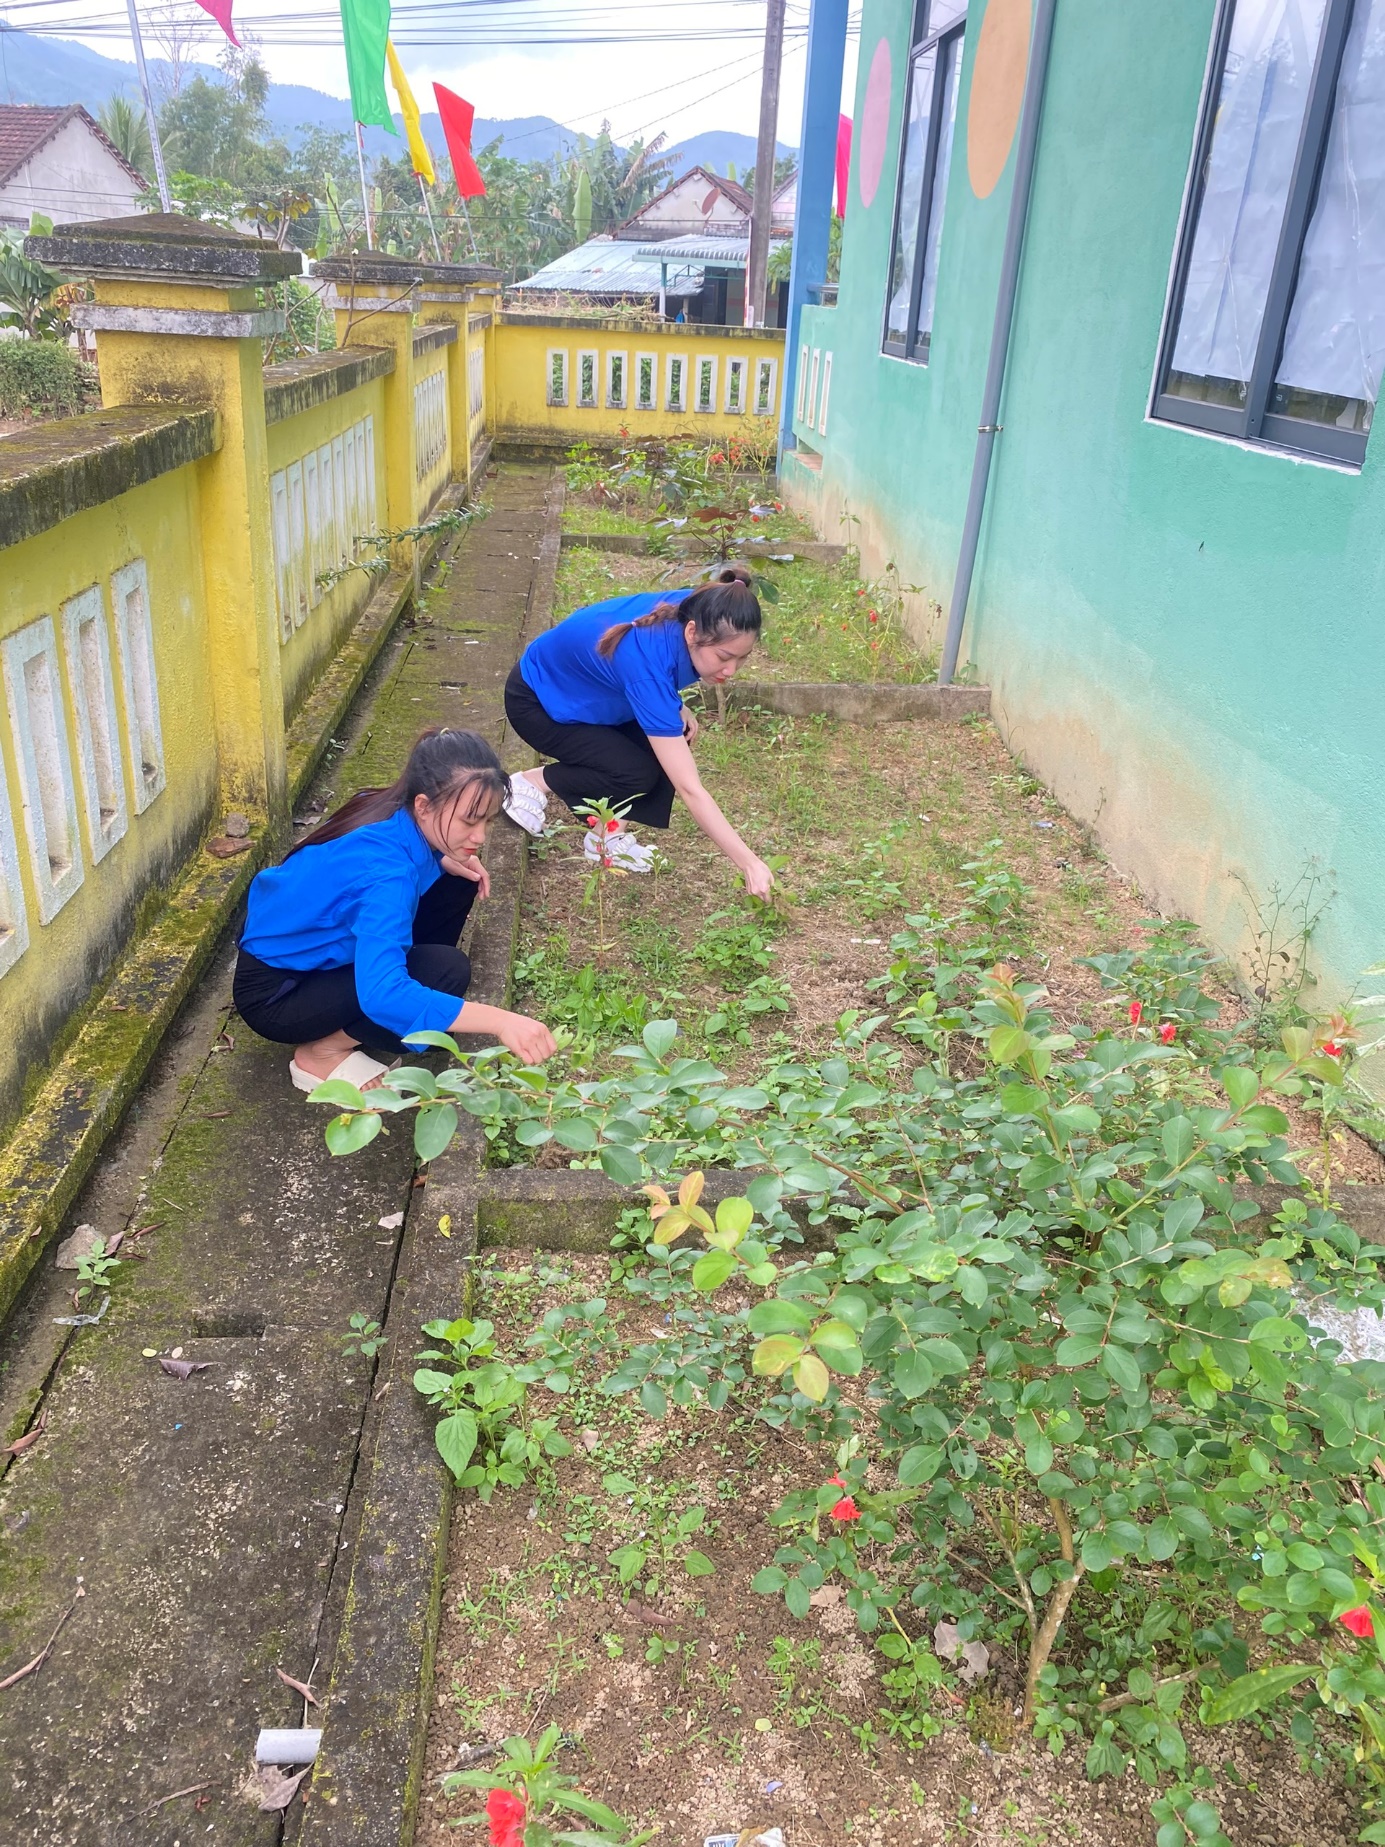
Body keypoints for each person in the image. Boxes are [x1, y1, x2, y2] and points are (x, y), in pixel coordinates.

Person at [235, 728, 557, 1093]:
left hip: (296, 947)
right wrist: (501, 1022)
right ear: (423, 805)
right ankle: (322, 1052)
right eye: (470, 821)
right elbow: (382, 993)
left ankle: (403, 980)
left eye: (487, 820)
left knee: (456, 876)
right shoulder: (389, 877)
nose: (480, 836)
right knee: (445, 973)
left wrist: (441, 859)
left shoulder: (382, 805)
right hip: (278, 996)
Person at [501, 567, 774, 895]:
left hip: (587, 691)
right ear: (691, 633)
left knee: (671, 739)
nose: (731, 670)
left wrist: (675, 704)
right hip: (538, 703)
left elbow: (657, 671)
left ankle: (605, 837)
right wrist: (749, 862)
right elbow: (690, 789)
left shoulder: (700, 606)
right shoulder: (647, 663)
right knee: (636, 773)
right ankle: (532, 783)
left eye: (742, 659)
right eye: (723, 657)